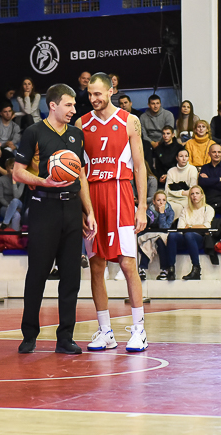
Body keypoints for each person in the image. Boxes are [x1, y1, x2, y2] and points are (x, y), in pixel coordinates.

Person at [13, 83, 96, 355]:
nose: (73, 109)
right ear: (53, 105)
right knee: (37, 274)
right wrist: (44, 182)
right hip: (43, 208)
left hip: (71, 209)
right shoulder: (34, 132)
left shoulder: (76, 134)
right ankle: (29, 335)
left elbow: (80, 175)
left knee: (71, 277)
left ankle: (65, 338)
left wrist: (89, 212)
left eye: (74, 105)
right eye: (68, 105)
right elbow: (17, 172)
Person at [81, 73, 149, 352]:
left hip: (120, 193)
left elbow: (140, 166)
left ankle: (139, 330)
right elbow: (78, 170)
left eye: (98, 93)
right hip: (92, 195)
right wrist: (83, 208)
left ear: (111, 91)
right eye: (90, 94)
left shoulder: (130, 120)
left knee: (127, 263)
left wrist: (142, 206)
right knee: (96, 265)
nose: (93, 98)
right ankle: (105, 331)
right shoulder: (81, 123)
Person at [166, 185, 214, 280]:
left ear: (202, 195)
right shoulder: (185, 209)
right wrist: (196, 227)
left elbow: (206, 227)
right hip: (186, 236)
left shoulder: (208, 209)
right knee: (172, 235)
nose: (194, 196)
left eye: (197, 193)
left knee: (189, 234)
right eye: (192, 194)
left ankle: (196, 269)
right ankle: (171, 269)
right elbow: (180, 228)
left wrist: (190, 226)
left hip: (200, 239)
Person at [140, 190, 174, 280]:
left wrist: (162, 213)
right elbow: (145, 227)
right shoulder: (148, 211)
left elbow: (164, 228)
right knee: (148, 241)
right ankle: (142, 269)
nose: (161, 202)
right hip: (150, 235)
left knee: (159, 240)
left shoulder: (170, 212)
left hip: (163, 234)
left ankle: (164, 270)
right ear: (154, 202)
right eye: (158, 200)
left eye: (164, 200)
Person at [166, 149, 197, 220]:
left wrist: (176, 192)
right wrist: (182, 192)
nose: (184, 158)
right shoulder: (171, 171)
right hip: (171, 198)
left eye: (186, 156)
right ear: (177, 158)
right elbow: (167, 191)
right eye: (181, 156)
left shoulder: (192, 169)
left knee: (179, 208)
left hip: (187, 199)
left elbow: (192, 191)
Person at [0, 157, 25, 231]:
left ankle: (5, 223)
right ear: (7, 168)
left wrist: (14, 182)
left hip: (19, 204)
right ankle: (14, 235)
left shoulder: (22, 179)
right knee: (16, 215)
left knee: (15, 200)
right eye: (12, 168)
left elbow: (17, 196)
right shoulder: (1, 180)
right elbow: (1, 198)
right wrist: (10, 206)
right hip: (5, 206)